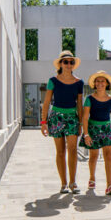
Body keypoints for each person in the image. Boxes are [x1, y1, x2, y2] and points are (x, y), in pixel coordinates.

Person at [40, 50, 84, 194]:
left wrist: (82, 124)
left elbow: (79, 104)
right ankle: (63, 183)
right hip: (56, 117)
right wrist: (43, 122)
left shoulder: (79, 83)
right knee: (60, 152)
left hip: (72, 117)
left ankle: (73, 182)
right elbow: (46, 103)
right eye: (66, 62)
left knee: (72, 150)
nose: (69, 64)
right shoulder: (53, 81)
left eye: (71, 62)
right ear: (60, 64)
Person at [81, 70, 111, 195]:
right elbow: (85, 117)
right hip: (93, 129)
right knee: (93, 156)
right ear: (94, 84)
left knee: (109, 156)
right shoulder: (89, 99)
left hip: (107, 129)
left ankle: (109, 186)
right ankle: (92, 177)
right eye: (98, 81)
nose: (100, 83)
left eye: (102, 81)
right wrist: (86, 134)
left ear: (106, 84)